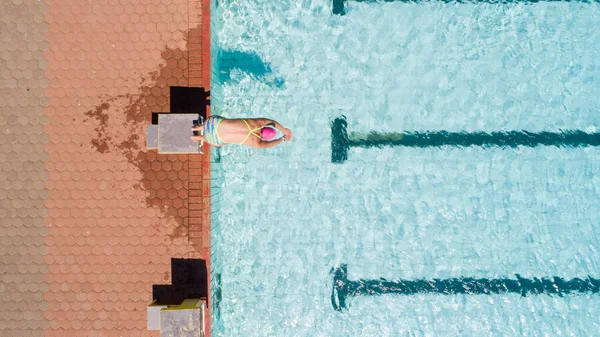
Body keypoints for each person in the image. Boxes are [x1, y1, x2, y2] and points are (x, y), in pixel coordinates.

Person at [191, 115, 293, 148]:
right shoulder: (257, 143)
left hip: (212, 123)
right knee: (225, 142)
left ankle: (198, 128)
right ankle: (199, 138)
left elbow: (271, 122)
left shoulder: (257, 123)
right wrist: (282, 139)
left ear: (264, 127)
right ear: (265, 137)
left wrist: (284, 130)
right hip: (214, 139)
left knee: (222, 120)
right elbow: (269, 144)